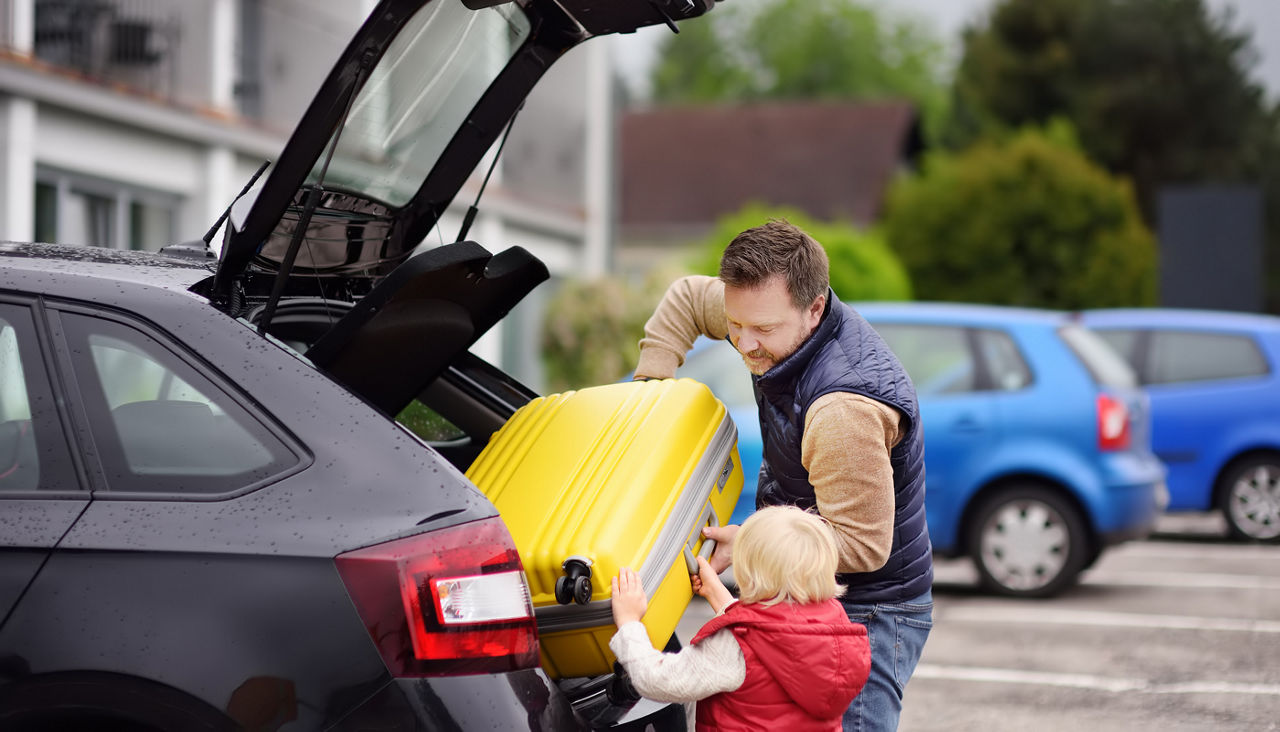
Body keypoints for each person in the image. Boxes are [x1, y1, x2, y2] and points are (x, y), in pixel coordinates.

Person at [633, 219, 933, 731]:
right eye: (735, 324)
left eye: (763, 330)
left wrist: (754, 544)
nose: (745, 343)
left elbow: (862, 546)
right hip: (797, 587)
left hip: (863, 613)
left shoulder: (842, 409)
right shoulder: (763, 316)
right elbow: (685, 297)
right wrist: (649, 396)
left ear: (815, 308)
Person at [609, 505, 870, 731]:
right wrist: (717, 595)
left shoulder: (732, 647)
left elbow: (658, 681)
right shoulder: (834, 623)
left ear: (750, 572)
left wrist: (630, 622)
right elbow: (773, 634)